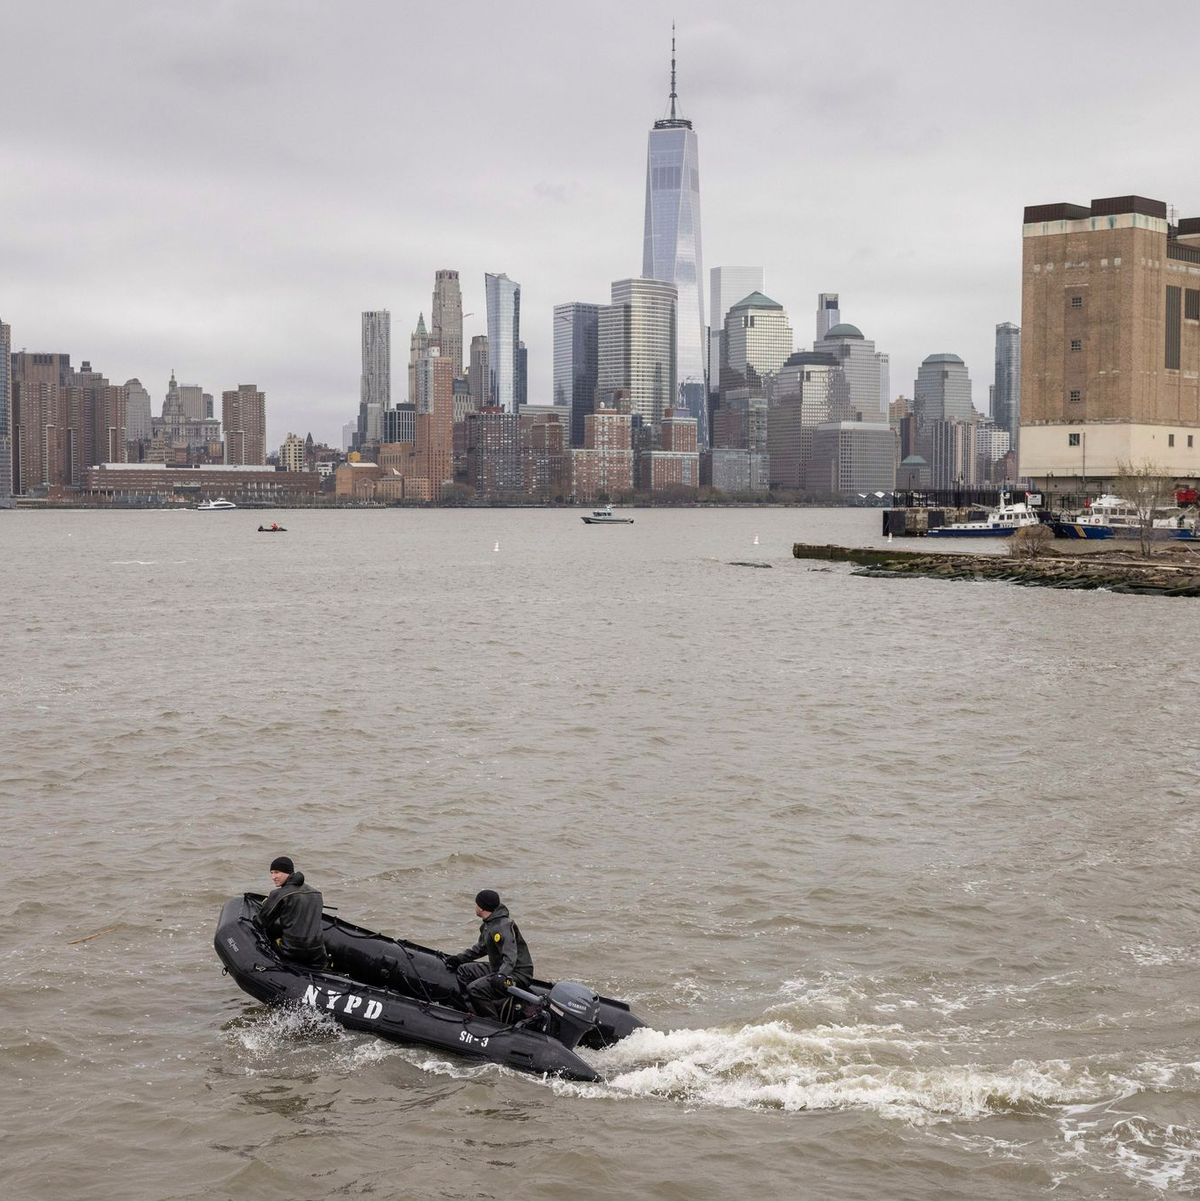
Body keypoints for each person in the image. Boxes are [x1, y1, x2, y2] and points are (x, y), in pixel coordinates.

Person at [443, 889, 534, 1020]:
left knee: (475, 989)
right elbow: (480, 948)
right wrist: (458, 958)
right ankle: (474, 1012)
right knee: (464, 971)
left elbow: (510, 955)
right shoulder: (489, 925)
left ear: (481, 907)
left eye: (476, 904)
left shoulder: (503, 926)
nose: (475, 907)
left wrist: (502, 974)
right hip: (498, 969)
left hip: (517, 974)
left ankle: (491, 1021)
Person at [258, 856, 327, 968]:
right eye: (271, 873)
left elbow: (261, 922)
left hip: (292, 952)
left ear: (288, 873)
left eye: (276, 872)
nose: (273, 877)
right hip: (318, 953)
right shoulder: (316, 893)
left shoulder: (279, 894)